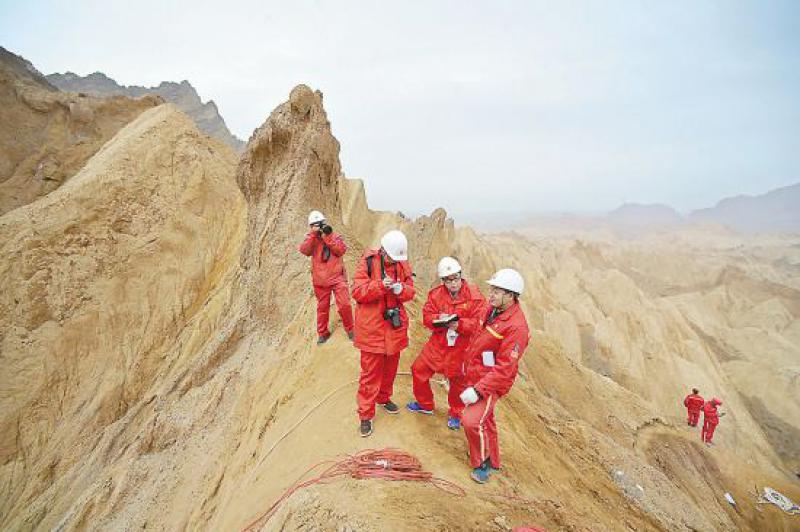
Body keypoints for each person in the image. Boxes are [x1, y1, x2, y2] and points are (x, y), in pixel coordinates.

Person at [459, 268, 530, 484]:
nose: (490, 295)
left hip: (491, 382)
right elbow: (477, 336)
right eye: (491, 290)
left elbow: (505, 368)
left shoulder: (517, 327)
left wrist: (478, 390)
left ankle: (482, 464)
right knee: (486, 418)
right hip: (477, 373)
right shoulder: (492, 310)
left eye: (496, 291)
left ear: (510, 295)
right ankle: (494, 459)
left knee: (471, 421)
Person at [407, 257, 486, 430]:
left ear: (460, 276)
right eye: (448, 280)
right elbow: (427, 317)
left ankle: (456, 414)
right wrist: (439, 319)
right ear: (443, 281)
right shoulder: (436, 295)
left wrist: (460, 325)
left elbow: (480, 323)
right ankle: (425, 404)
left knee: (458, 383)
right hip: (438, 344)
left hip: (462, 348)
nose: (453, 283)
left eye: (455, 278)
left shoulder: (475, 296)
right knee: (418, 369)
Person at [351, 230, 415, 437]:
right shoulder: (368, 262)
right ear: (383, 251)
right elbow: (357, 292)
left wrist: (400, 290)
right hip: (372, 329)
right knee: (370, 374)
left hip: (394, 328)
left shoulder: (402, 264)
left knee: (390, 370)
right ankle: (365, 415)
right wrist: (379, 285)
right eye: (391, 258)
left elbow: (411, 291)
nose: (394, 261)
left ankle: (384, 397)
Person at [298, 210, 354, 344]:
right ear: (311, 226)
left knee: (345, 304)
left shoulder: (334, 236)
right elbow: (304, 250)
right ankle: (323, 333)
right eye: (316, 224)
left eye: (321, 223)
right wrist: (313, 235)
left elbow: (341, 250)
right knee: (322, 308)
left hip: (337, 278)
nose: (320, 226)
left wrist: (327, 238)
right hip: (320, 281)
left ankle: (351, 330)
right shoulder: (310, 239)